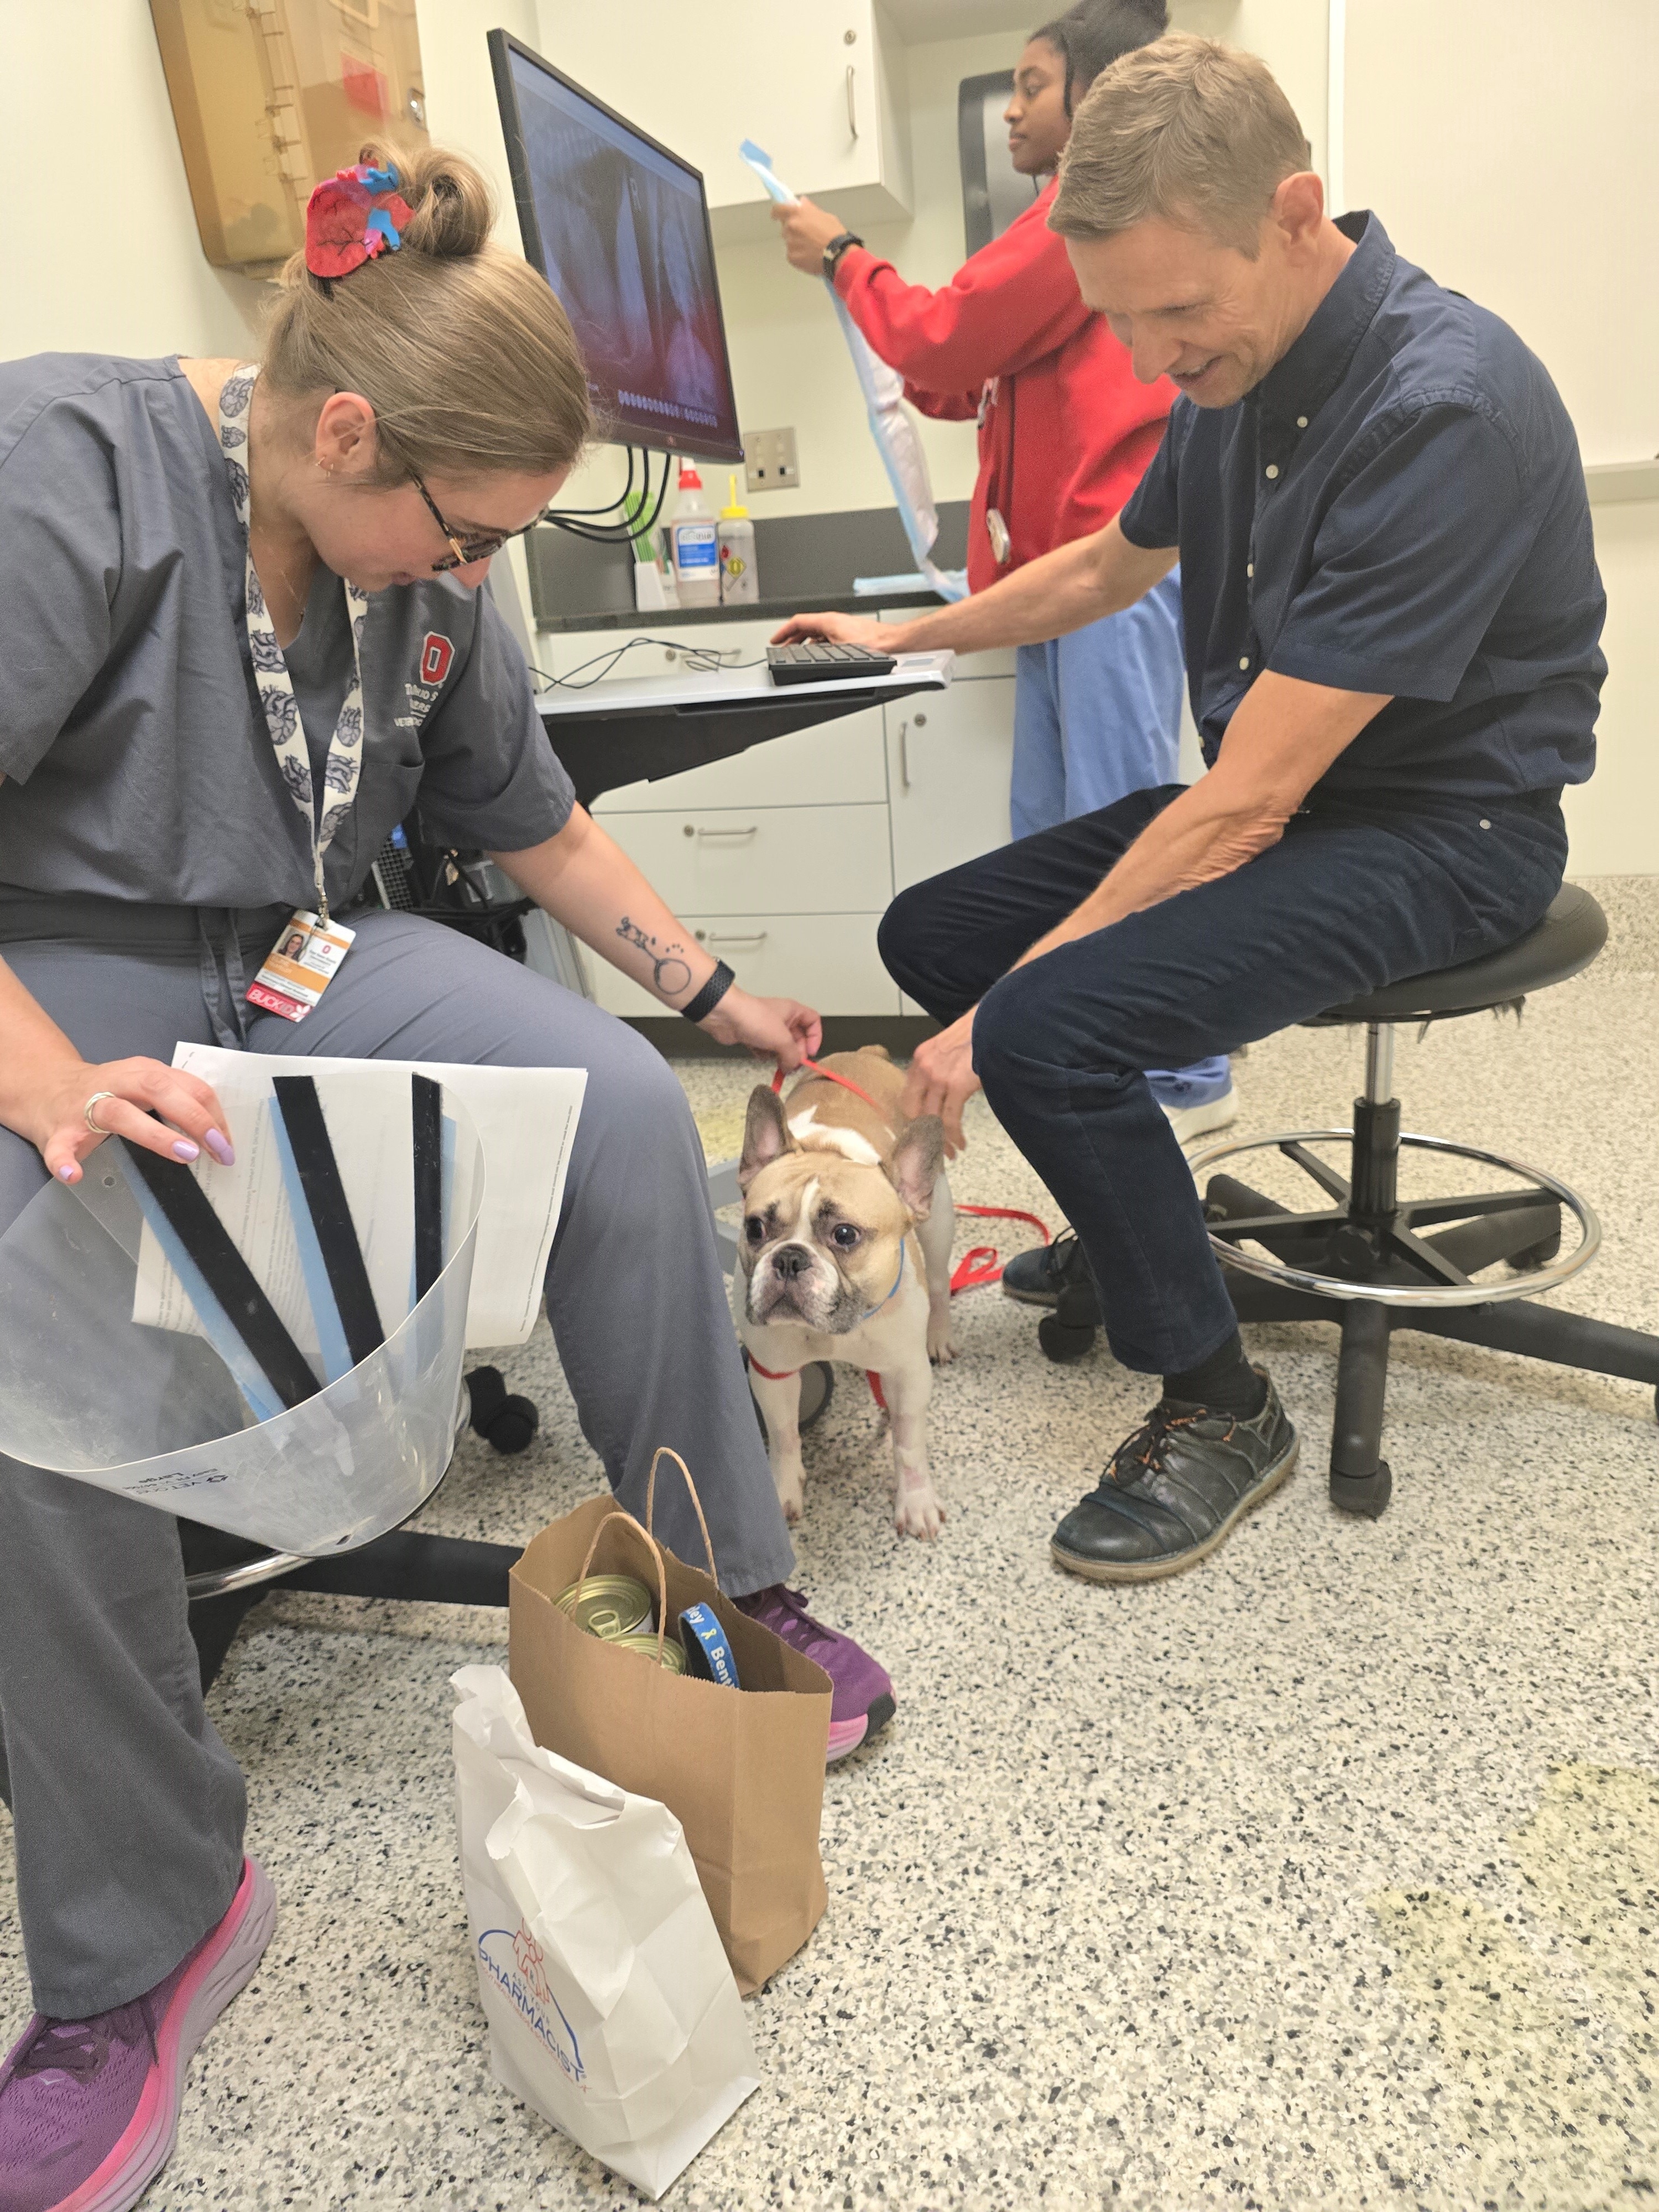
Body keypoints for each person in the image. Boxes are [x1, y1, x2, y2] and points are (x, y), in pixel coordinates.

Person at [0, 146, 893, 2212]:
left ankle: (719, 1596)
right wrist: (47, 1087)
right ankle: (150, 1931)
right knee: (36, 1306)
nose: (474, 571)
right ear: (344, 435)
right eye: (466, 528)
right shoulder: (66, 474)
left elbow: (531, 821)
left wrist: (713, 992)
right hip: (66, 957)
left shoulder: (425, 578)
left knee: (617, 1110)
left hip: (301, 949)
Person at [778, 37, 1603, 1584]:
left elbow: (1253, 799)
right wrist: (902, 633)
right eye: (1121, 319)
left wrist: (1010, 1015)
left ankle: (1221, 1403)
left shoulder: (1444, 408)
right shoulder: (1239, 375)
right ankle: (1140, 1219)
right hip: (1304, 801)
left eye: (1176, 312)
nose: (1154, 356)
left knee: (1037, 1022)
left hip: (1449, 836)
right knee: (936, 931)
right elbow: (1107, 565)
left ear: (1294, 215)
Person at [768, 0, 1235, 1142]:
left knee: (1120, 837)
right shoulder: (1057, 232)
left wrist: (844, 255)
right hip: (1060, 590)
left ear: (1095, 95)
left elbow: (944, 334)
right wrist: (876, 304)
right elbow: (951, 371)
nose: (1013, 110)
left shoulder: (1086, 212)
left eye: (1032, 85)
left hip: (1108, 579)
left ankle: (1183, 1077)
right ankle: (1088, 1056)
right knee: (1055, 841)